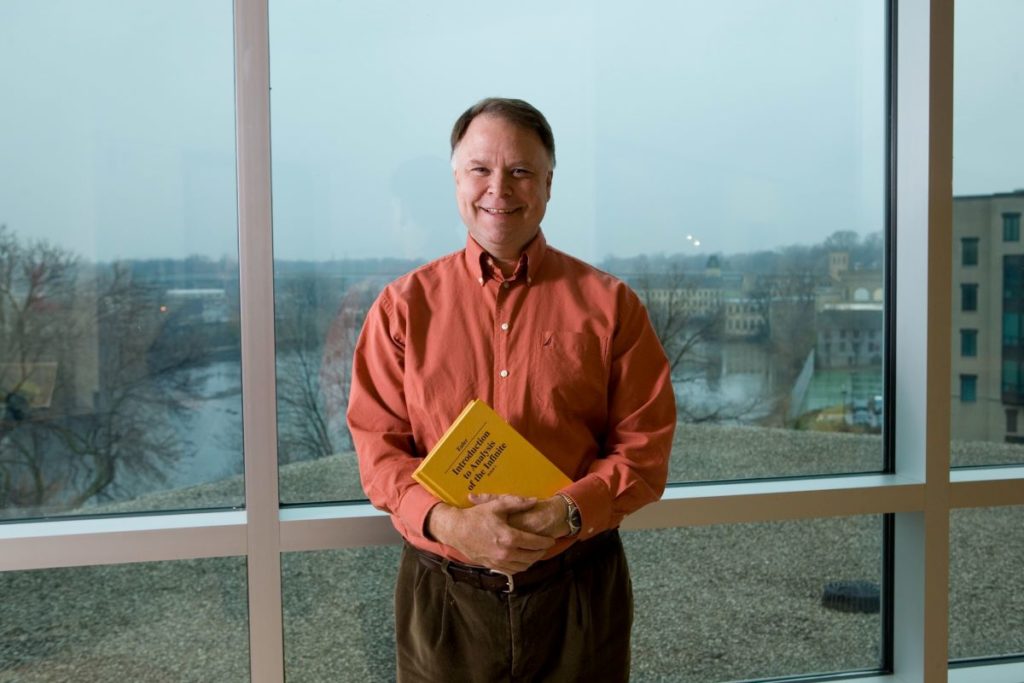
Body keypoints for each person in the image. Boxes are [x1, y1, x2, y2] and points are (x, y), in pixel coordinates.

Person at [347, 97, 676, 682]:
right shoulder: (400, 310)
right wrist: (451, 525)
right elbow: (379, 455)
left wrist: (567, 513)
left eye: (521, 171)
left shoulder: (612, 306)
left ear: (549, 183)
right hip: (444, 595)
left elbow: (645, 450)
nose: (499, 188)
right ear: (456, 179)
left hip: (578, 590)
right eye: (480, 169)